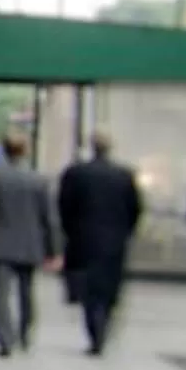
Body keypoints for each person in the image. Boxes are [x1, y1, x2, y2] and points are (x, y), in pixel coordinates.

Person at [55, 132, 144, 354]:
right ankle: (104, 324)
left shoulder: (75, 173)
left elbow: (63, 206)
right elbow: (135, 209)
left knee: (89, 290)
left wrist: (69, 231)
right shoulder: (124, 175)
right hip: (114, 241)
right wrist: (126, 232)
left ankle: (95, 330)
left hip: (83, 239)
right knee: (109, 287)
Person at [0, 133, 61, 357]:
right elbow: (49, 218)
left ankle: (5, 339)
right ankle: (25, 333)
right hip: (30, 245)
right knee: (27, 291)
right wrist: (54, 250)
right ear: (26, 151)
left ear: (4, 150)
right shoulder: (39, 180)